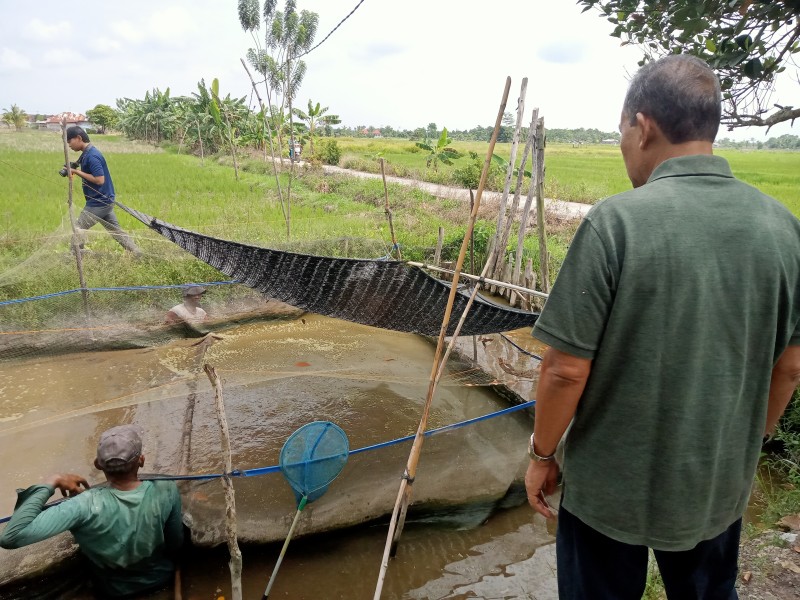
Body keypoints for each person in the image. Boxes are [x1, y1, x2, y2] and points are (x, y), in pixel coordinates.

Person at [524, 54, 800, 599]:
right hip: (716, 485)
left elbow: (563, 371)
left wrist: (541, 455)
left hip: (606, 494)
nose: (623, 146)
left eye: (621, 132)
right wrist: (749, 443)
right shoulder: (784, 229)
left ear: (642, 125)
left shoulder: (615, 223)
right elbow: (789, 367)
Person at [0, 425, 183, 599]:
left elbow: (11, 536)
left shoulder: (82, 504)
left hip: (112, 591)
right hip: (160, 579)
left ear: (97, 464)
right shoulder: (166, 488)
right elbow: (175, 543)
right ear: (141, 461)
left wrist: (52, 481)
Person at [65, 126, 140, 254]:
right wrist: (73, 167)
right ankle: (138, 253)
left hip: (98, 202)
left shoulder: (92, 156)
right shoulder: (87, 153)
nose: (69, 145)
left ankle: (75, 257)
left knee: (78, 229)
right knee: (116, 231)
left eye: (69, 141)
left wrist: (76, 172)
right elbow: (79, 163)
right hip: (105, 200)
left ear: (79, 138)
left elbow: (99, 180)